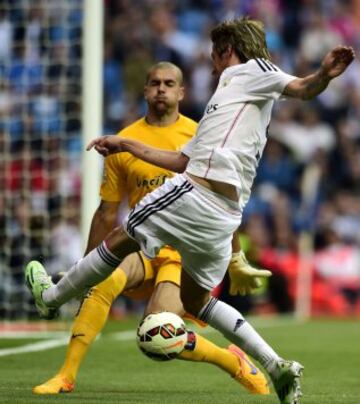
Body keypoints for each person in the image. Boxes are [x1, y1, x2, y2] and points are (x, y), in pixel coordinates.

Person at [26, 17, 355, 404]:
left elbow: (301, 88)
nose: (210, 62)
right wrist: (126, 145)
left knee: (120, 237)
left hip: (196, 195)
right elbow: (182, 159)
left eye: (214, 54)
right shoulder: (224, 100)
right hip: (223, 214)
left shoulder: (254, 70)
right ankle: (276, 363)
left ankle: (51, 298)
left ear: (226, 50)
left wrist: (324, 75)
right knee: (197, 301)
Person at [31, 61, 270, 395]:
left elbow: (221, 201)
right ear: (145, 90)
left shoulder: (201, 135)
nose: (161, 88)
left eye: (169, 83)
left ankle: (231, 361)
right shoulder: (124, 141)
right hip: (141, 244)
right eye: (155, 82)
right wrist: (85, 269)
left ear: (181, 92)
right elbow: (107, 210)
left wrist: (234, 259)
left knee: (156, 334)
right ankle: (66, 375)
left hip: (181, 257)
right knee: (103, 281)